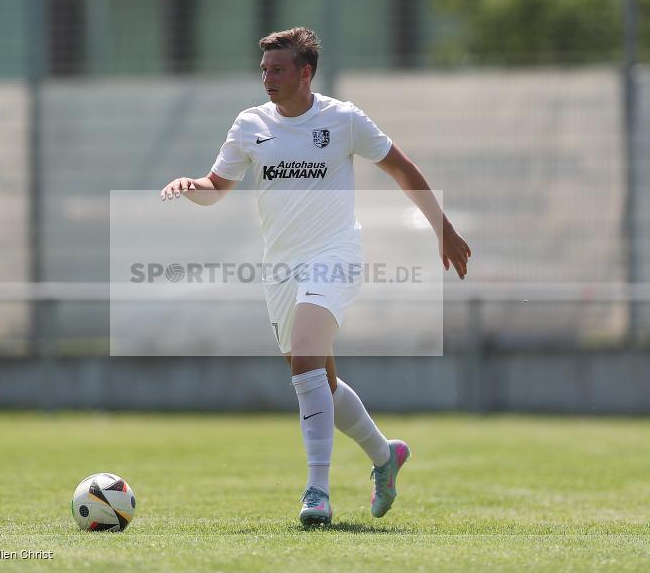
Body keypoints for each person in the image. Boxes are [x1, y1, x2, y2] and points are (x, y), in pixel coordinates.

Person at [161, 27, 471, 526]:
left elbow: (403, 169)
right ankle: (384, 456)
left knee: (306, 356)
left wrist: (443, 228)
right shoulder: (249, 124)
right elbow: (216, 187)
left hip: (336, 254)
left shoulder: (342, 119)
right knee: (316, 380)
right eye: (264, 70)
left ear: (305, 73)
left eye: (278, 70)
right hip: (279, 267)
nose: (268, 79)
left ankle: (317, 492)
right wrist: (190, 186)